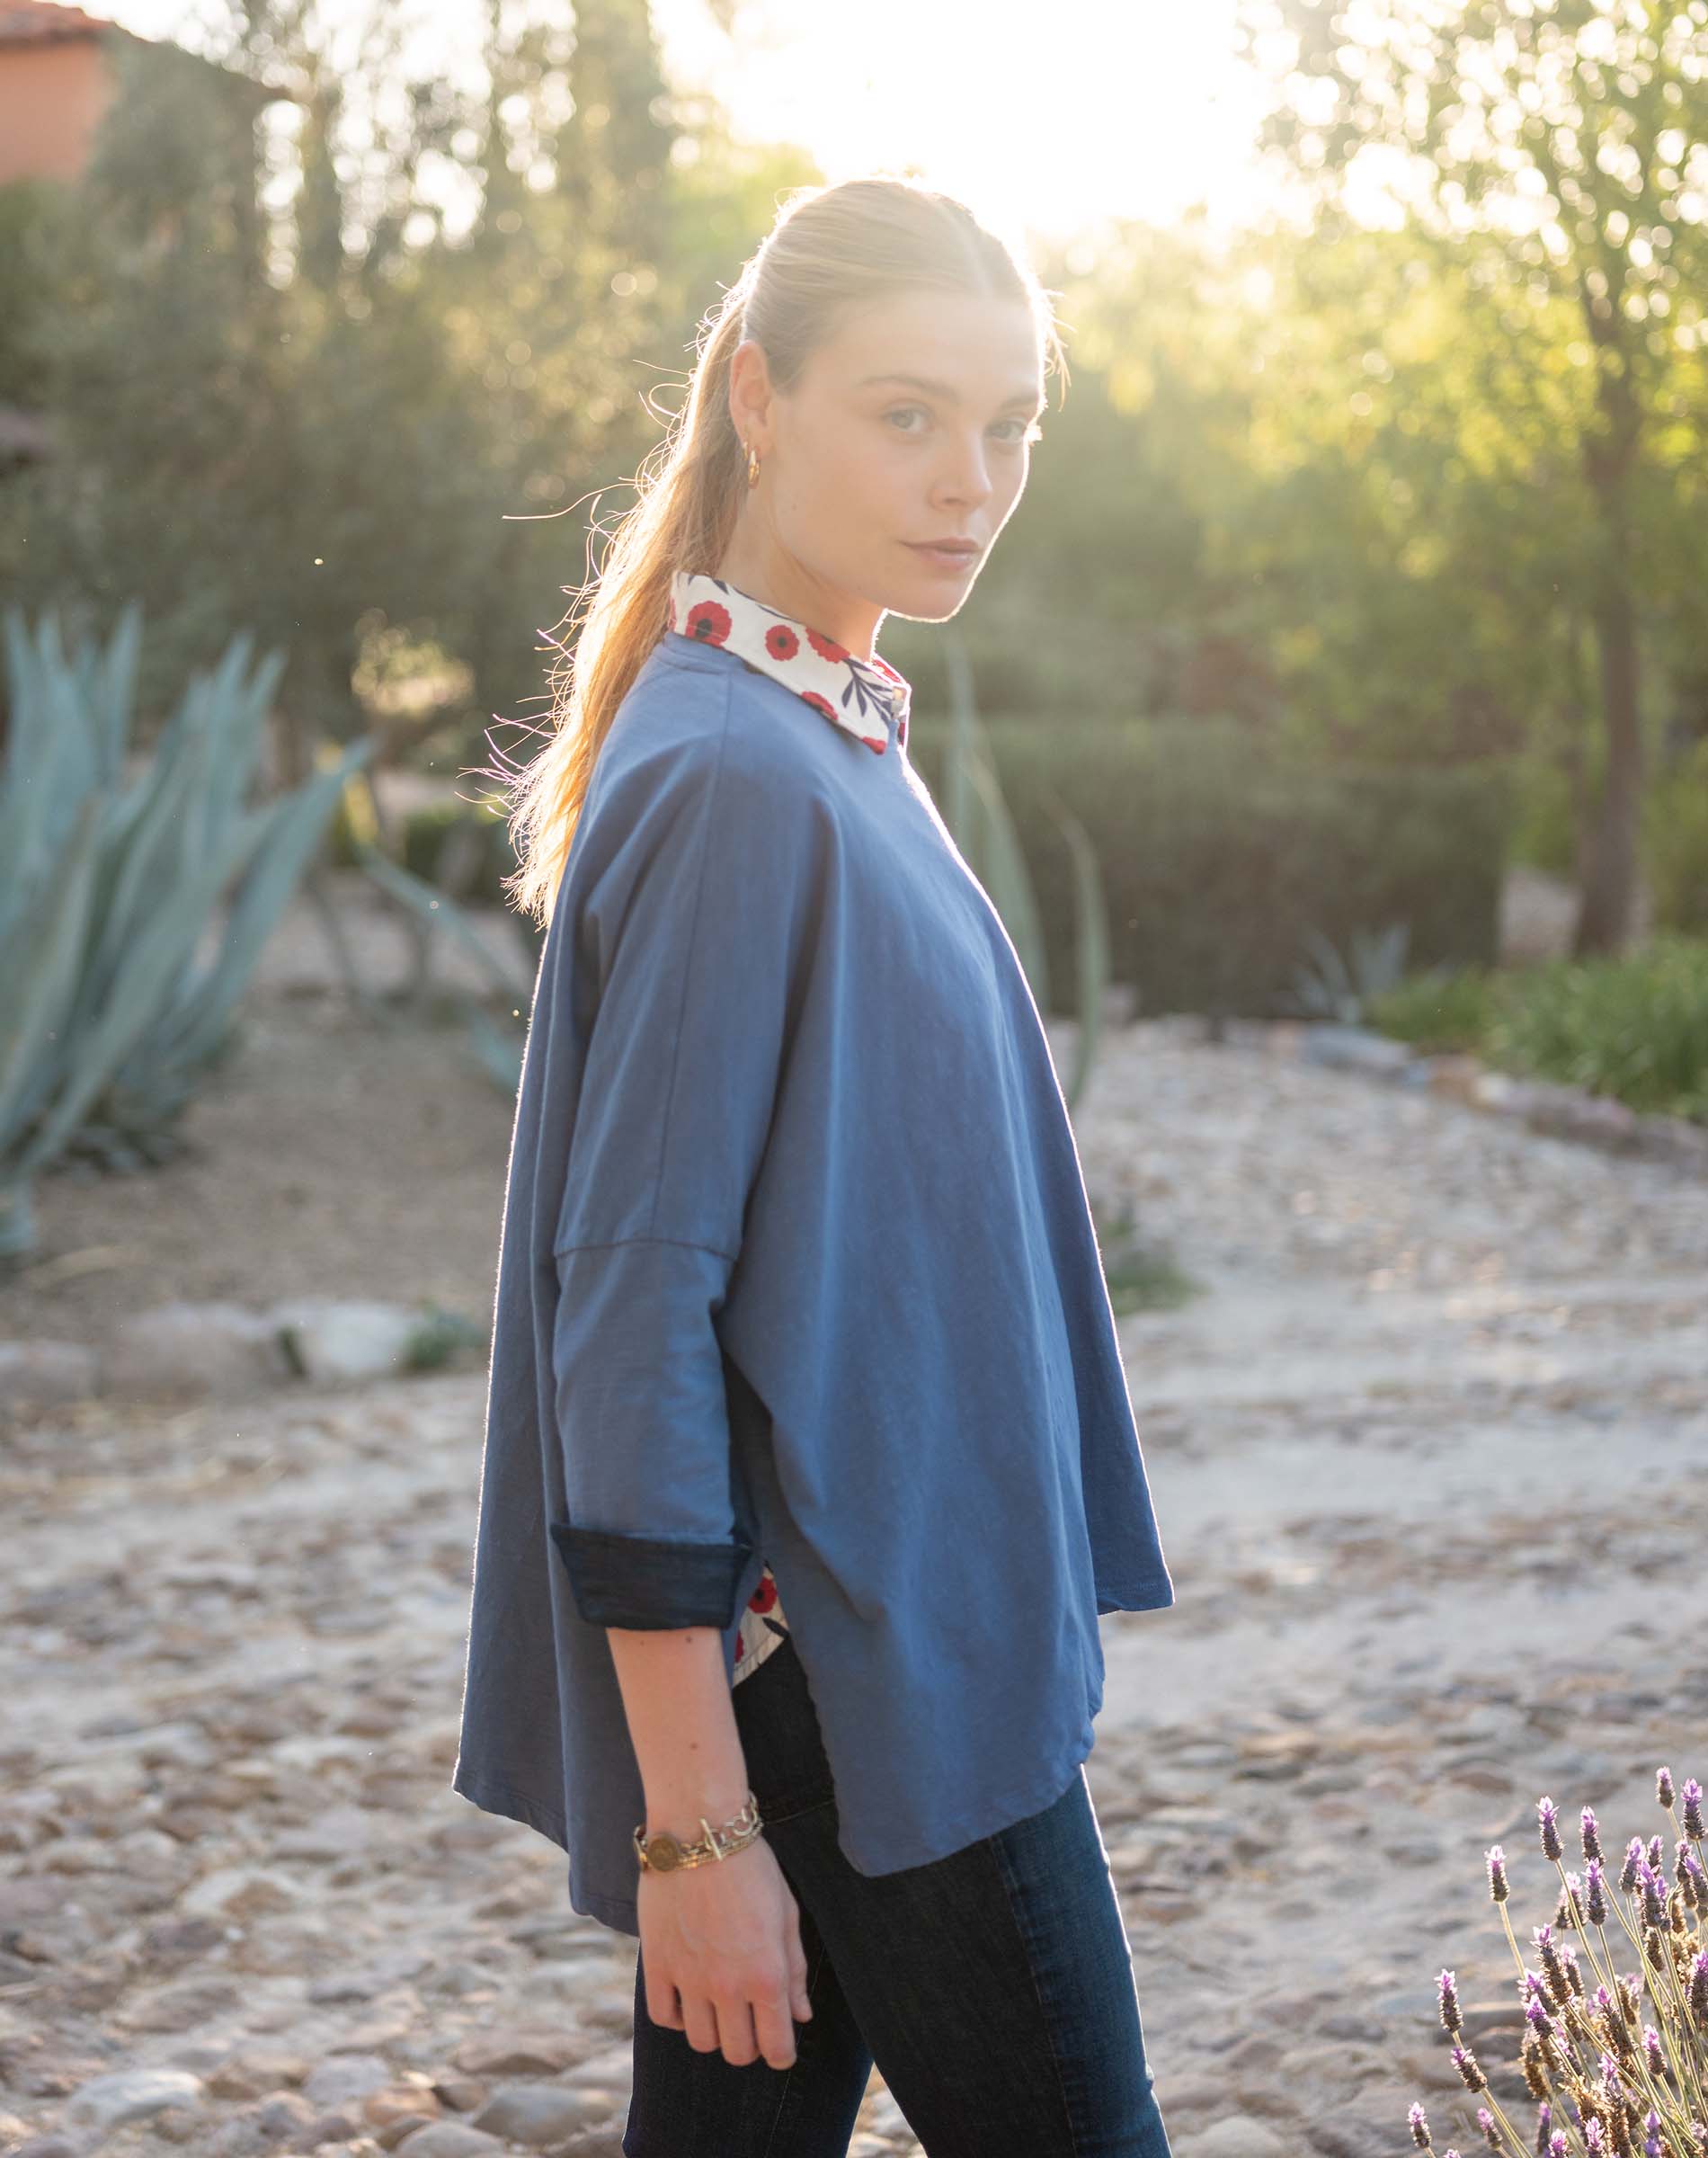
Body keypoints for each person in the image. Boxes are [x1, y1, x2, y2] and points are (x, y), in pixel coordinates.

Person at [452, 172, 1179, 2158]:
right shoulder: (731, 775)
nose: (972, 476)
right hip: (860, 1691)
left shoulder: (821, 728)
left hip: (873, 1650)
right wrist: (694, 1832)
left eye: (1010, 422)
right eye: (907, 411)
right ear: (759, 402)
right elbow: (631, 1308)